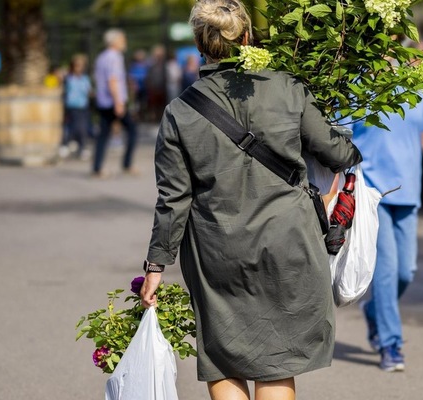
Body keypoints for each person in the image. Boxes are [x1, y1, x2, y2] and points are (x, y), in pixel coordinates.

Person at [139, 1, 361, 400]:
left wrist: (156, 265)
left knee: (225, 357)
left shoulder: (180, 111)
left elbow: (172, 199)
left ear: (198, 44)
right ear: (246, 37)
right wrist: (346, 143)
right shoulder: (286, 87)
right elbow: (337, 153)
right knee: (277, 361)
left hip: (217, 251)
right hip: (288, 242)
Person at [353, 94, 423, 372]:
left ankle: (373, 311)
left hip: (408, 192)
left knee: (405, 271)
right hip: (373, 192)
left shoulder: (419, 93)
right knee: (386, 269)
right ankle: (390, 344)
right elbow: (341, 141)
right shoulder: (359, 88)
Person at [93, 28, 139, 179]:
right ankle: (127, 164)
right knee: (132, 131)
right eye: (122, 39)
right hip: (114, 101)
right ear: (114, 41)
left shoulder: (101, 57)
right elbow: (112, 80)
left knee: (103, 134)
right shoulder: (115, 57)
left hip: (103, 101)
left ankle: (97, 167)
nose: (124, 42)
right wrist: (118, 102)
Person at [61, 54, 93, 160]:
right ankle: (68, 143)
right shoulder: (68, 78)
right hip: (71, 105)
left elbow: (89, 91)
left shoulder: (85, 79)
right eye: (77, 65)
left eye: (81, 66)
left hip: (82, 105)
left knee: (82, 127)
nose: (79, 68)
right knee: (72, 126)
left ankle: (82, 147)